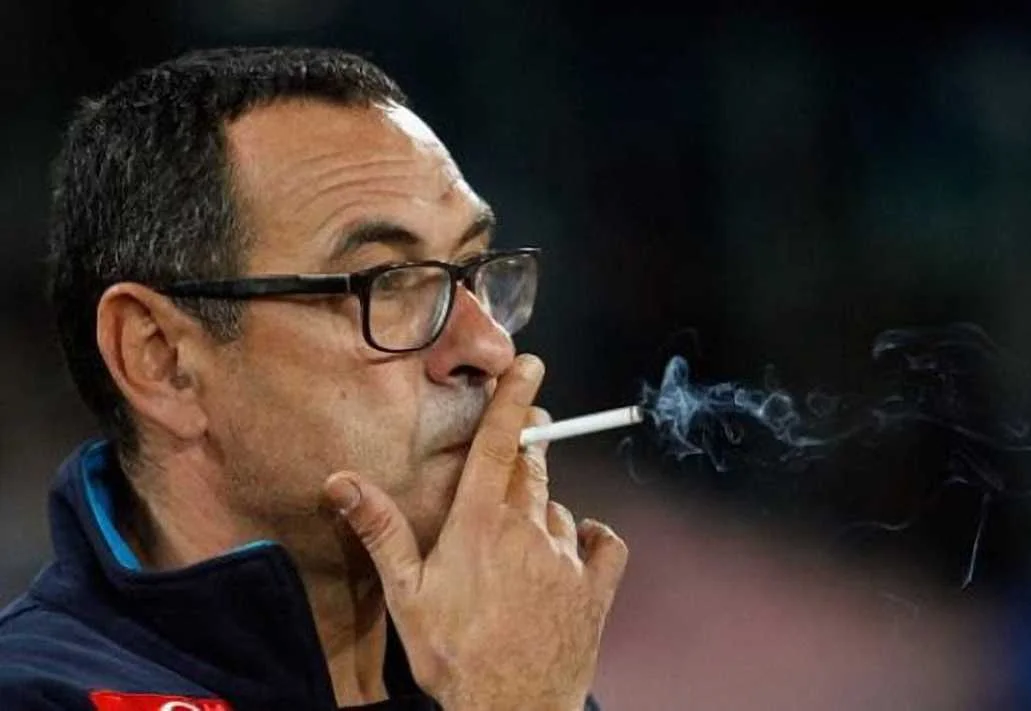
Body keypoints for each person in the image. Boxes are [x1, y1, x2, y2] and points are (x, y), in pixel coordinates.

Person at [0, 47, 628, 710]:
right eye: (388, 281)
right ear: (161, 359)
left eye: (472, 268)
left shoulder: (489, 662)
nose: (489, 348)